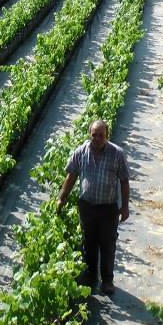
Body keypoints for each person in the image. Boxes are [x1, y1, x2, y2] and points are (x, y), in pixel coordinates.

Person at [55, 119, 130, 296]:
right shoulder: (81, 152)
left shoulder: (117, 154)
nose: (97, 138)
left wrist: (124, 207)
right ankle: (90, 275)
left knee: (107, 243)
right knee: (88, 242)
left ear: (107, 136)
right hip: (87, 206)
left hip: (108, 208)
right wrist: (62, 197)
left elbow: (124, 181)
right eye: (94, 135)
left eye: (101, 135)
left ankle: (107, 280)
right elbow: (71, 175)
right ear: (90, 134)